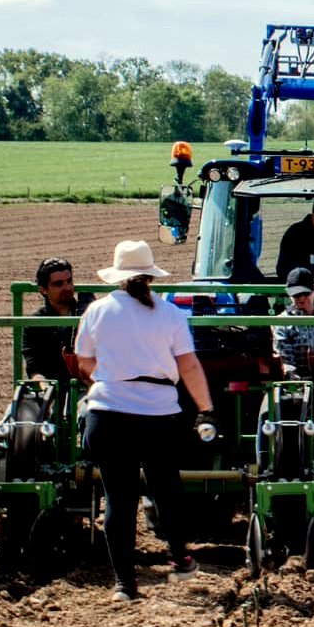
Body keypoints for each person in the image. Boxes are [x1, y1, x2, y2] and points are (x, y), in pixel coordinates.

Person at [74, 240, 216, 603]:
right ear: (150, 276)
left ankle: (125, 584)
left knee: (117, 500)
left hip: (107, 414)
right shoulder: (169, 315)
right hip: (158, 415)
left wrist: (110, 378)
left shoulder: (97, 310)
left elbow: (84, 363)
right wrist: (205, 408)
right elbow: (188, 366)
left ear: (117, 276)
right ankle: (181, 555)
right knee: (166, 489)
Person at [22, 257, 90, 382]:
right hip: (52, 389)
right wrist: (42, 383)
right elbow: (33, 367)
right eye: (58, 284)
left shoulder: (89, 313)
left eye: (69, 281)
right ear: (43, 290)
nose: (67, 287)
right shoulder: (35, 323)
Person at [272, 267, 314, 378]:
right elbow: (286, 358)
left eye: (305, 293)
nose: (302, 298)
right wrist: (292, 376)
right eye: (296, 294)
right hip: (298, 379)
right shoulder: (282, 322)